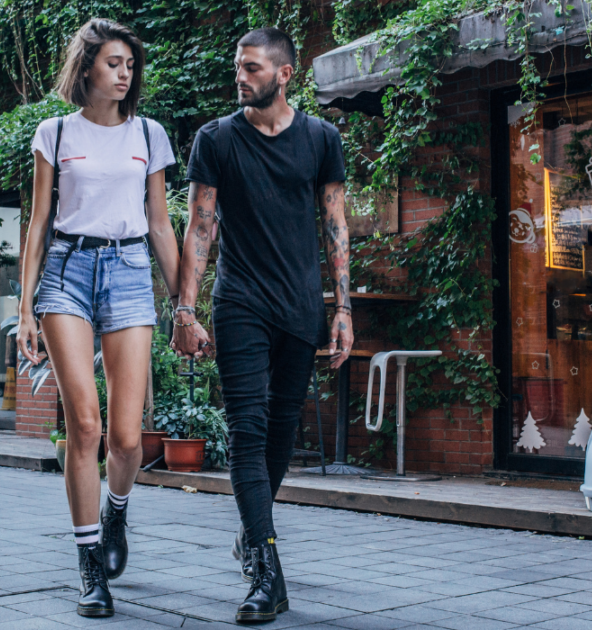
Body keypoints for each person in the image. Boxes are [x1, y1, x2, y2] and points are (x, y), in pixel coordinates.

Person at [172, 27, 352, 623]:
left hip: (300, 307)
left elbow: (335, 226)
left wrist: (343, 307)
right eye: (237, 66)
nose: (240, 76)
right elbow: (199, 228)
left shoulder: (321, 138)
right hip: (240, 301)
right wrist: (185, 309)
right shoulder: (217, 140)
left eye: (251, 67)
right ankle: (267, 572)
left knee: (280, 434)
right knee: (246, 433)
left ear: (283, 74)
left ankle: (253, 534)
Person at [19, 18, 179, 618]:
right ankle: (90, 565)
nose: (124, 74)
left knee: (128, 437)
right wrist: (27, 305)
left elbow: (162, 224)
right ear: (86, 67)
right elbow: (37, 223)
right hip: (66, 271)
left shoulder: (149, 133)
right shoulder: (55, 132)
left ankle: (116, 510)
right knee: (85, 426)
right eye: (114, 63)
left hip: (131, 272)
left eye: (130, 66)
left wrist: (185, 305)